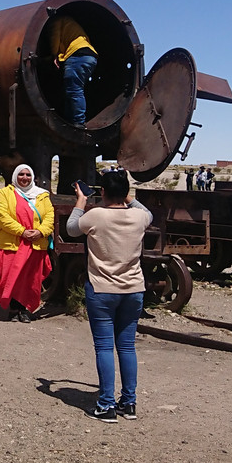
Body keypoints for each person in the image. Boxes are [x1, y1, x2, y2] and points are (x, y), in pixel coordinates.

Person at [67, 170, 150, 423]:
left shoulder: (95, 216)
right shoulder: (140, 217)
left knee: (104, 347)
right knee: (127, 347)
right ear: (125, 193)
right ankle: (129, 402)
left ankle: (106, 405)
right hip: (134, 289)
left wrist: (80, 202)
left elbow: (71, 229)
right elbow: (147, 211)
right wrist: (129, 195)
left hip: (102, 289)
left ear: (102, 191)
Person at [0, 164, 54, 323]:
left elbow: (49, 217)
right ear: (15, 176)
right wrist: (22, 232)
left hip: (35, 243)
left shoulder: (42, 195)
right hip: (13, 244)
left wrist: (40, 232)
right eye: (21, 174)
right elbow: (3, 217)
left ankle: (24, 309)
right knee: (11, 277)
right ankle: (13, 309)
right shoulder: (4, 194)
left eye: (28, 175)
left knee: (30, 278)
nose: (24, 178)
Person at [48, 16, 97, 127]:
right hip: (90, 57)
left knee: (74, 90)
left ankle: (78, 122)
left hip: (77, 56)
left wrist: (54, 54)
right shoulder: (72, 25)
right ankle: (69, 119)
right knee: (72, 89)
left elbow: (54, 37)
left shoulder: (57, 20)